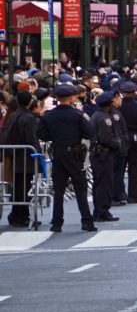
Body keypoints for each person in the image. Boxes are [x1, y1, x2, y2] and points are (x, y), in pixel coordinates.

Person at [37, 83, 96, 232]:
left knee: (59, 190)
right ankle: (86, 221)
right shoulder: (77, 114)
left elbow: (41, 134)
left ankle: (57, 223)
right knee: (80, 189)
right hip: (74, 153)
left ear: (57, 98)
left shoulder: (49, 116)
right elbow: (89, 132)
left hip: (58, 153)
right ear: (71, 98)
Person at [2, 92, 41, 227]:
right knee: (24, 188)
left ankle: (18, 214)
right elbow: (31, 138)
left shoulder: (12, 115)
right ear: (30, 102)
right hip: (25, 157)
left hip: (14, 155)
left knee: (18, 188)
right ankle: (21, 215)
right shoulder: (28, 118)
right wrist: (38, 154)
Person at [89, 90, 122, 222]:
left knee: (99, 183)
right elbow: (106, 138)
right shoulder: (104, 118)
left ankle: (98, 210)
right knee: (105, 183)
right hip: (103, 154)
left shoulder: (96, 115)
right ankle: (103, 210)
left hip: (98, 154)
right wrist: (117, 143)